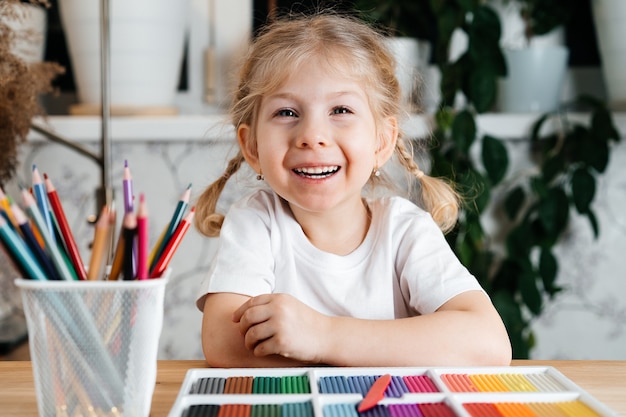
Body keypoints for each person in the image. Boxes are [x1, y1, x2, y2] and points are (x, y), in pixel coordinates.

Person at [194, 12, 511, 368]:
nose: (312, 136)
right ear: (251, 147)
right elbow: (223, 341)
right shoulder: (255, 223)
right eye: (286, 112)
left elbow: (489, 343)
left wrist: (323, 337)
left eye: (340, 109)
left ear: (381, 141)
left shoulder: (405, 231)